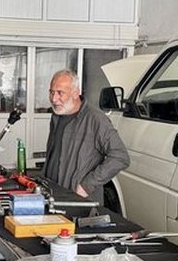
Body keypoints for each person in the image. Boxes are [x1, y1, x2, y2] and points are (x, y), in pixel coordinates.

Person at [43, 69, 130, 203]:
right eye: (51, 92)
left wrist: (87, 185)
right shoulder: (57, 116)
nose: (54, 99)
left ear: (75, 93)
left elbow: (120, 157)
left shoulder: (96, 120)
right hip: (52, 196)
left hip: (78, 202)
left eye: (60, 93)